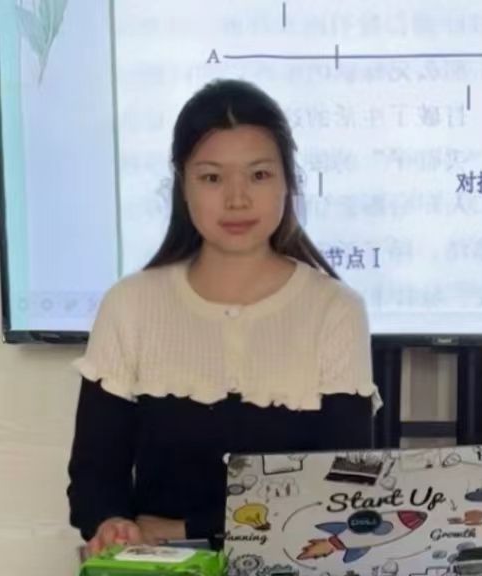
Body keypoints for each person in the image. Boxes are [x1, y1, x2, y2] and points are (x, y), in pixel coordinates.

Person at [66, 78, 382, 556]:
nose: (237, 199)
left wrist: (181, 528)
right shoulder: (130, 304)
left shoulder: (336, 309)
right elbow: (93, 485)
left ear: (288, 181)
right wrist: (114, 525)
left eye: (259, 175)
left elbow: (341, 492)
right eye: (212, 178)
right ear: (183, 185)